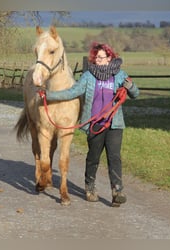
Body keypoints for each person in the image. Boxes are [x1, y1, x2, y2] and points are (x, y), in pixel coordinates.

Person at [43, 42, 139, 207]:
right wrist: (49, 95)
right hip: (94, 123)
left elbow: (135, 94)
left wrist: (130, 87)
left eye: (101, 58)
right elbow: (73, 92)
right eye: (96, 58)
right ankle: (90, 187)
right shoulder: (89, 76)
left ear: (109, 58)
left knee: (114, 157)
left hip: (114, 124)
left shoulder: (120, 75)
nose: (98, 61)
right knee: (93, 157)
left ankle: (117, 191)